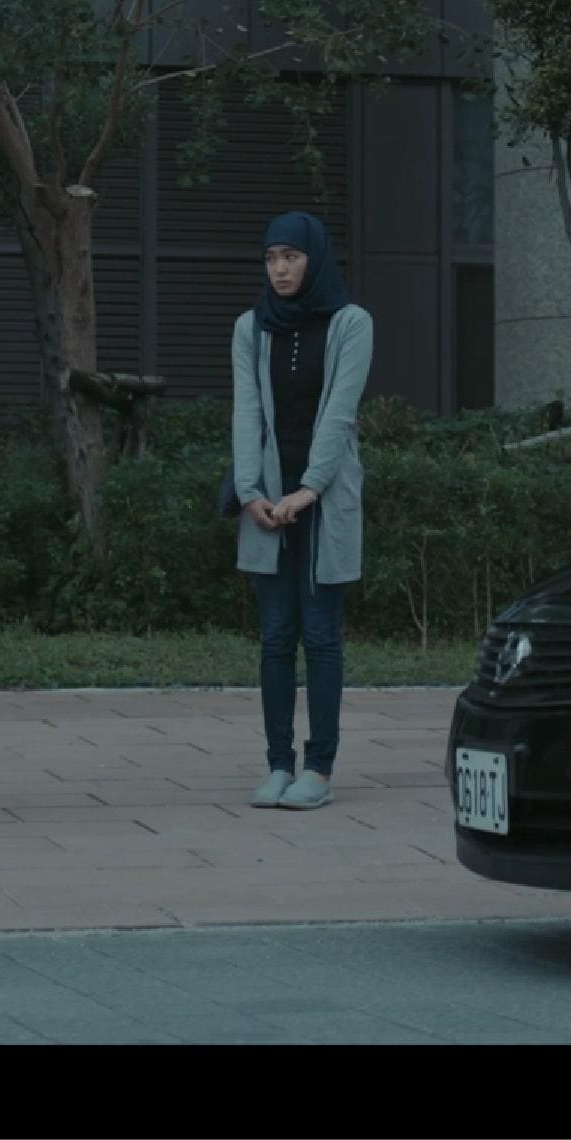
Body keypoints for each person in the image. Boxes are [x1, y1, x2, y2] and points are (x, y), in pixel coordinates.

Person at [228, 211, 375, 811]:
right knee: (274, 638)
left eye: (291, 256)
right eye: (271, 258)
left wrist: (308, 489)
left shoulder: (351, 323)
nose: (280, 269)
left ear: (314, 259)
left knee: (320, 636)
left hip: (323, 499)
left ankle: (318, 768)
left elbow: (340, 413)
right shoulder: (250, 327)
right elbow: (246, 413)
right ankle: (277, 763)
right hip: (267, 501)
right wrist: (249, 493)